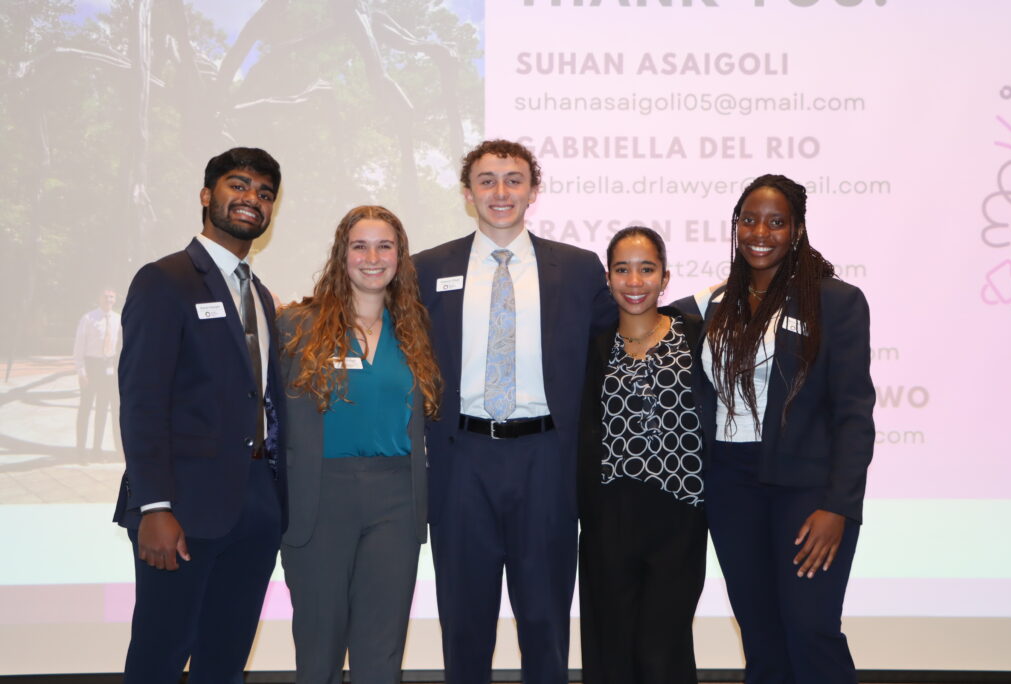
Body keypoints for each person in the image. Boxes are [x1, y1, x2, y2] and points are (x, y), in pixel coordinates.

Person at [414, 139, 616, 684]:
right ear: (467, 192)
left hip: (546, 459)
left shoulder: (576, 269)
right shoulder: (426, 269)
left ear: (533, 190)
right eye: (487, 180)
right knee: (463, 624)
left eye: (513, 179)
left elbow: (618, 341)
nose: (500, 192)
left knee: (545, 623)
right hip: (461, 461)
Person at [679, 174, 874, 684]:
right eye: (748, 219)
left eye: (775, 221)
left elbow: (855, 413)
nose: (759, 232)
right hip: (729, 485)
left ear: (798, 229)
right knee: (761, 634)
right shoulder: (714, 304)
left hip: (807, 492)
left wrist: (839, 506)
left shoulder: (836, 301)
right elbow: (645, 316)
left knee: (810, 628)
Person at [113, 147, 288, 684]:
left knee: (225, 660)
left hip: (257, 504)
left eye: (263, 193)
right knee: (160, 657)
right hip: (181, 510)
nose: (250, 200)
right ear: (207, 195)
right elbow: (142, 402)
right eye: (238, 185)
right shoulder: (165, 279)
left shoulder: (257, 293)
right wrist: (155, 506)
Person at [277, 205, 440, 683]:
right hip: (320, 497)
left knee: (381, 651)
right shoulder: (295, 325)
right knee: (319, 647)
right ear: (340, 255)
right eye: (360, 245)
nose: (373, 257)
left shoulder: (418, 330)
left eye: (385, 245)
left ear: (400, 257)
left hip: (396, 501)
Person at [578, 226, 707, 684]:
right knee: (611, 646)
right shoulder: (590, 345)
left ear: (665, 277)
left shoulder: (697, 336)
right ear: (608, 279)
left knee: (663, 648)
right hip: (609, 515)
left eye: (646, 269)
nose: (635, 281)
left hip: (680, 514)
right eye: (623, 269)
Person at [72, 288, 122, 454]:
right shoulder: (88, 318)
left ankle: (96, 450)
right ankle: (81, 450)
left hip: (108, 369)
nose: (109, 299)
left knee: (102, 410)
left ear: (115, 300)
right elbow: (79, 346)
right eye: (106, 296)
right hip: (91, 367)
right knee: (85, 409)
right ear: (99, 298)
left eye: (111, 296)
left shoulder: (117, 319)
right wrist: (81, 372)